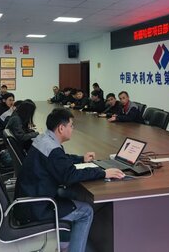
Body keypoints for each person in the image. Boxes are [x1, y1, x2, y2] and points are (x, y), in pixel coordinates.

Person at [15, 108, 124, 252]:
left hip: (29, 197)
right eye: (71, 126)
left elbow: (61, 161)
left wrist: (81, 159)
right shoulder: (53, 150)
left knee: (73, 194)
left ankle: (64, 244)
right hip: (37, 207)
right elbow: (70, 176)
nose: (73, 129)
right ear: (61, 128)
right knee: (86, 211)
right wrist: (103, 173)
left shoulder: (43, 139)